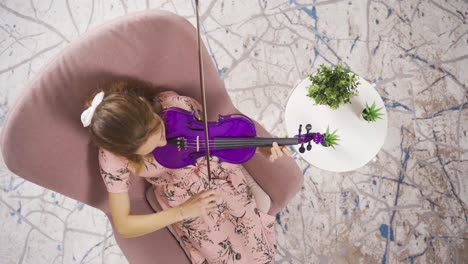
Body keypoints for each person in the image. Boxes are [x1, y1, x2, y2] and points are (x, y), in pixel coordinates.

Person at [81, 78, 291, 263]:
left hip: (219, 173)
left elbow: (214, 138)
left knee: (256, 247)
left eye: (159, 129)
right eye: (153, 146)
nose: (164, 141)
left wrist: (258, 147)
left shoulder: (174, 106)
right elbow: (124, 224)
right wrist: (183, 211)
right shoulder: (113, 157)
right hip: (182, 201)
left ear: (143, 104)